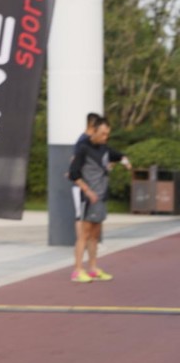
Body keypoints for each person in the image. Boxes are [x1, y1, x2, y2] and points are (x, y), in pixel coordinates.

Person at [68, 117, 131, 282]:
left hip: (101, 197)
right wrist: (87, 191)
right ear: (93, 131)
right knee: (84, 235)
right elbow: (73, 174)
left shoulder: (104, 148)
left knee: (95, 236)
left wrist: (125, 161)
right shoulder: (83, 148)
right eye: (102, 134)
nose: (105, 137)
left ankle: (93, 268)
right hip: (88, 199)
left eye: (107, 134)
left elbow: (118, 155)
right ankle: (77, 271)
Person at [71, 112, 102, 222]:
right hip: (83, 185)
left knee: (90, 217)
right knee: (82, 216)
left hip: (90, 183)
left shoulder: (91, 141)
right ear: (92, 125)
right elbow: (74, 161)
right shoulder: (83, 141)